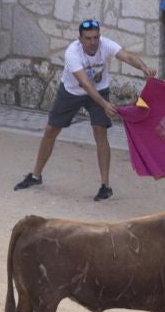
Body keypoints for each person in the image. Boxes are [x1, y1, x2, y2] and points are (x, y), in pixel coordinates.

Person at [12, 18, 151, 202]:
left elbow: (125, 55)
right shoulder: (72, 53)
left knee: (100, 134)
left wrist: (143, 66)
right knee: (50, 130)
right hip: (72, 91)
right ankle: (36, 175)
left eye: (96, 37)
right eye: (88, 38)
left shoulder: (105, 44)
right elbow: (85, 84)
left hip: (99, 90)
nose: (93, 42)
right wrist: (104, 104)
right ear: (80, 39)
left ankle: (105, 186)